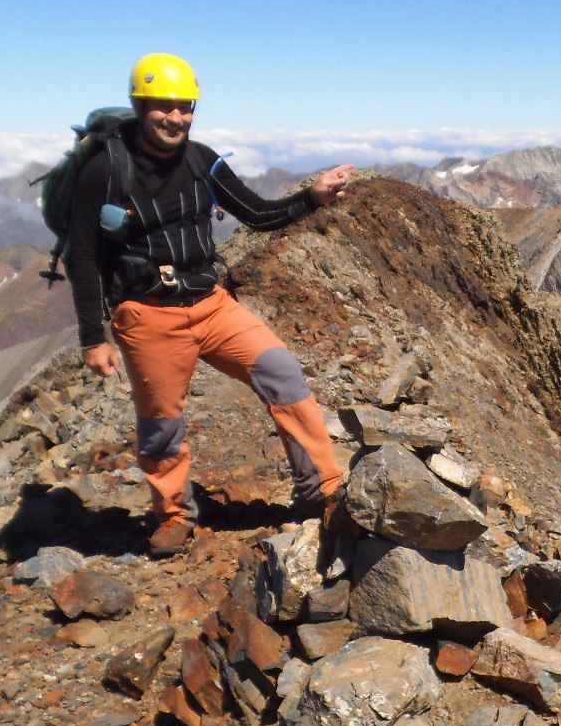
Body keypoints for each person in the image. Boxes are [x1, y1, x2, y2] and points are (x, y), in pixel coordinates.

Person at [66, 52, 351, 557]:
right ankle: (173, 514)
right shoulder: (103, 171)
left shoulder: (201, 159)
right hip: (147, 314)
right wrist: (93, 337)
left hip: (212, 303)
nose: (176, 117)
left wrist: (314, 196)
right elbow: (83, 254)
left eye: (186, 107)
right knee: (161, 423)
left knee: (282, 372)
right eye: (163, 107)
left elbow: (256, 213)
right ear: (140, 106)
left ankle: (324, 489)